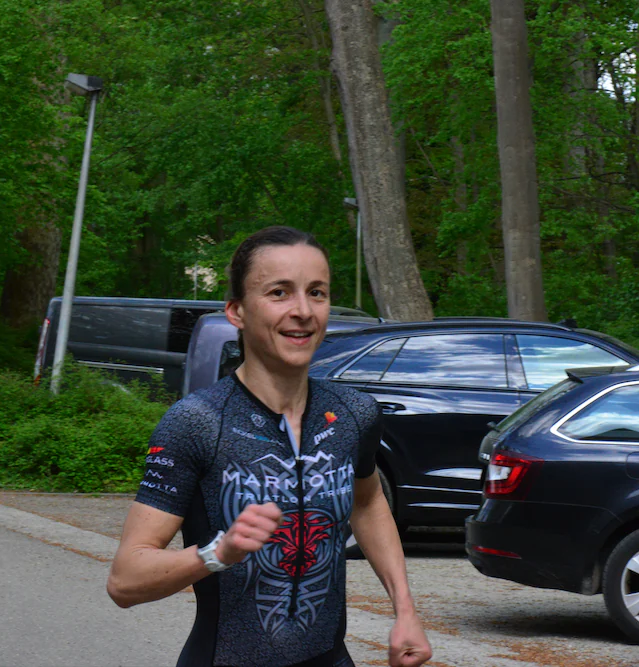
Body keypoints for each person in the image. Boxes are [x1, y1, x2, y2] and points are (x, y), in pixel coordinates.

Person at [107, 226, 432, 667]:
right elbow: (125, 581)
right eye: (279, 293)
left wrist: (405, 610)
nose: (303, 311)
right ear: (237, 311)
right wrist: (217, 552)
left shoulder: (353, 413)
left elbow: (368, 501)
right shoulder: (197, 423)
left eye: (316, 293)